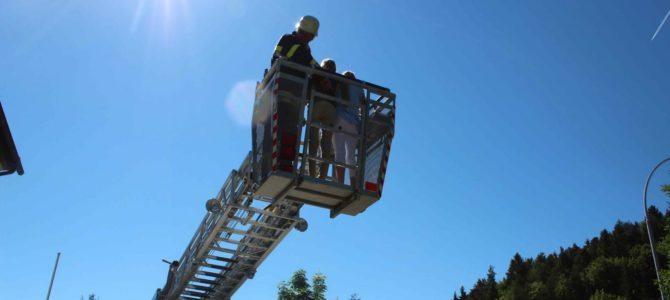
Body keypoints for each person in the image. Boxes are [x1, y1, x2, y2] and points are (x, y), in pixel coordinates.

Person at [269, 16, 320, 173]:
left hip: (296, 95)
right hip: (283, 90)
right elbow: (277, 59)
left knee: (292, 132)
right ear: (301, 31)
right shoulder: (288, 40)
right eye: (307, 35)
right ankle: (278, 163)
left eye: (311, 37)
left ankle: (286, 164)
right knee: (281, 129)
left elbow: (313, 66)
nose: (309, 39)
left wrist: (325, 74)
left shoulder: (306, 49)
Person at [332, 71, 364, 188]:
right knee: (350, 155)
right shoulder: (359, 87)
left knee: (339, 152)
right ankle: (353, 184)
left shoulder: (339, 84)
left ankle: (340, 183)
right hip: (354, 123)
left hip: (339, 119)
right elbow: (364, 104)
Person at [307, 58, 337, 178]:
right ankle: (322, 176)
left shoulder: (316, 74)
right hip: (331, 109)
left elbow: (308, 88)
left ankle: (311, 173)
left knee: (313, 141)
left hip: (316, 104)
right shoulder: (337, 79)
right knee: (326, 144)